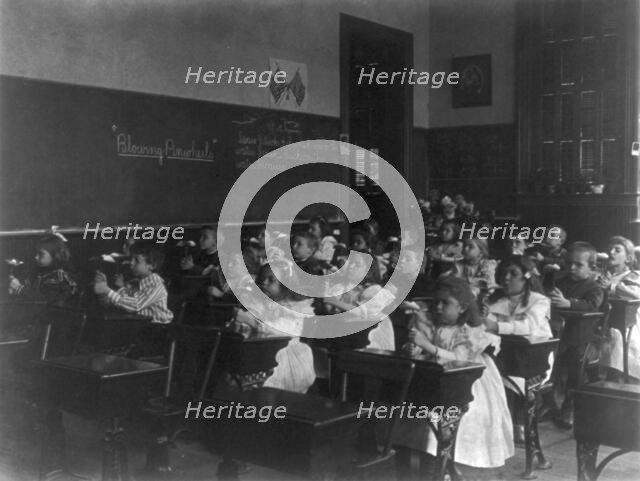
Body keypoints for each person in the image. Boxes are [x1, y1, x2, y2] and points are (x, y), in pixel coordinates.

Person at [397, 277, 513, 469]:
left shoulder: (469, 331)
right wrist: (414, 348)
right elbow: (419, 343)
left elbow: (459, 358)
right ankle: (423, 453)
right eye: (436, 302)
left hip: (466, 376)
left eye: (446, 303)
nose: (438, 307)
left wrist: (427, 347)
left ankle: (447, 459)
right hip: (432, 373)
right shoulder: (426, 320)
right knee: (416, 409)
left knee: (455, 414)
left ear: (462, 307)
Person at [228, 260, 316, 393]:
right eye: (262, 279)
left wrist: (251, 322)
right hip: (262, 351)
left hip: (285, 356)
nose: (264, 283)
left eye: (271, 280)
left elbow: (280, 330)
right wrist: (242, 323)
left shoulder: (297, 308)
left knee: (266, 385)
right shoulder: (262, 304)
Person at [548, 241, 604, 428]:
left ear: (592, 267)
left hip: (580, 337)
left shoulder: (594, 287)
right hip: (556, 334)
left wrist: (568, 303)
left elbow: (592, 305)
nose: (572, 268)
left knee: (575, 362)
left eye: (578, 265)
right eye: (569, 263)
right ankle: (548, 402)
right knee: (544, 357)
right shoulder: (561, 281)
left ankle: (569, 404)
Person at [323, 253, 395, 350]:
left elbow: (361, 312)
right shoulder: (341, 287)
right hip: (345, 332)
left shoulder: (374, 290)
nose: (351, 267)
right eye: (350, 263)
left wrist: (334, 302)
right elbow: (329, 308)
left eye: (357, 264)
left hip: (368, 335)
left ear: (368, 271)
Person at [597, 236, 640, 381]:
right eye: (610, 249)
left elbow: (636, 295)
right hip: (601, 320)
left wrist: (612, 287)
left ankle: (613, 377)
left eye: (617, 250)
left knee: (615, 337)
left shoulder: (634, 276)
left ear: (628, 258)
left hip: (627, 323)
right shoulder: (602, 275)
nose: (611, 252)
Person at [8, 233, 77, 302]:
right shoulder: (41, 272)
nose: (36, 257)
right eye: (36, 253)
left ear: (55, 255)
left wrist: (19, 289)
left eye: (41, 254)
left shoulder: (59, 277)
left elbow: (44, 299)